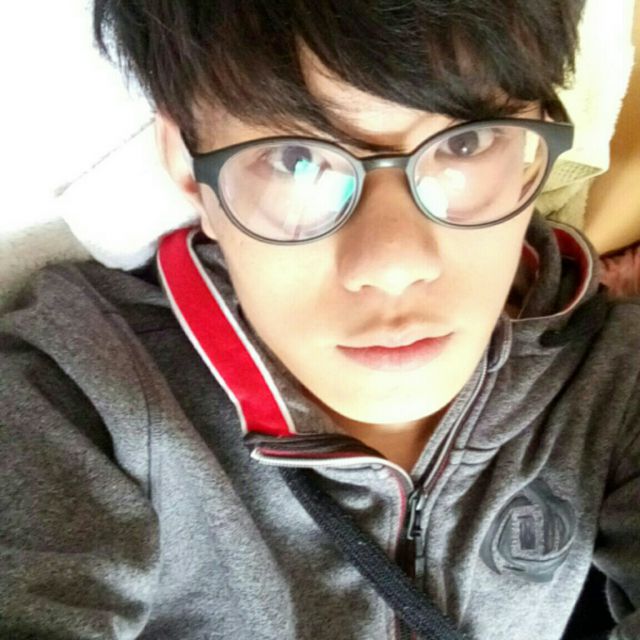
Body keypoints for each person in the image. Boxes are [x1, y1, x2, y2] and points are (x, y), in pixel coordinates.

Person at [0, 1, 638, 639]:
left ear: (532, 148)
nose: (394, 265)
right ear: (189, 168)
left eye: (464, 145)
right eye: (295, 161)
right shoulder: (77, 398)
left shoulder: (615, 383)